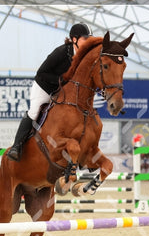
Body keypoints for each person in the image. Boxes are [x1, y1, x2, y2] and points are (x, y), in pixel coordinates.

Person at [6, 23, 93, 161]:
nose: (88, 42)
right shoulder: (61, 52)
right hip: (44, 87)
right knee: (34, 112)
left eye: (89, 39)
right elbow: (41, 73)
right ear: (74, 39)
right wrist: (61, 80)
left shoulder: (85, 57)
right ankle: (16, 147)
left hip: (64, 92)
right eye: (85, 39)